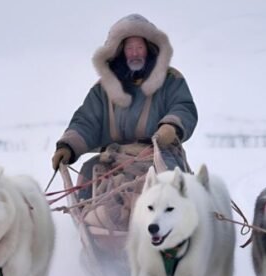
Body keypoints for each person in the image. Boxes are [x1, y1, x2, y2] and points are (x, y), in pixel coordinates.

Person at [51, 14, 198, 180]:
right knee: (89, 172)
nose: (135, 53)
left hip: (159, 155)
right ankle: (90, 208)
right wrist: (68, 146)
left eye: (139, 48)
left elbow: (183, 107)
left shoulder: (170, 79)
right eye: (129, 48)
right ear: (120, 52)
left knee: (167, 185)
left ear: (149, 49)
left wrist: (170, 127)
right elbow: (86, 121)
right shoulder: (103, 89)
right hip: (114, 159)